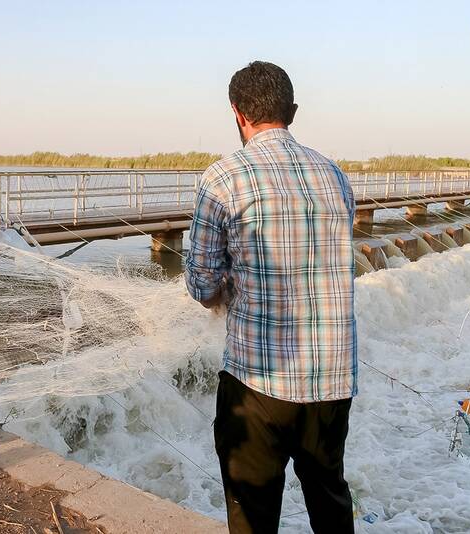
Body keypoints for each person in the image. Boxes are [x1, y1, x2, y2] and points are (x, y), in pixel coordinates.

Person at [185, 61, 357, 533]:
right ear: (293, 111)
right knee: (330, 500)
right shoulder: (335, 176)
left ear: (237, 113)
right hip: (331, 379)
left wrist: (228, 287)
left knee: (253, 515)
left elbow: (201, 282)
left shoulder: (223, 178)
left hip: (257, 380)